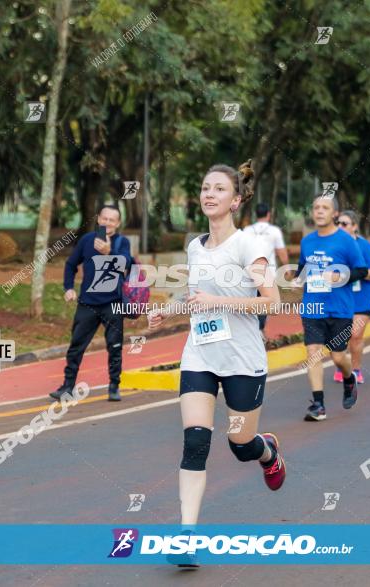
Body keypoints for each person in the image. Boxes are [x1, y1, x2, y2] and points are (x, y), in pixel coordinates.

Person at [147, 160, 285, 568]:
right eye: (205, 187)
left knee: (241, 445)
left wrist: (220, 301)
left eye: (219, 189)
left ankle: (268, 453)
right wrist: (168, 312)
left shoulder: (248, 247)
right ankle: (186, 538)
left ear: (236, 200)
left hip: (242, 359)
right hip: (201, 354)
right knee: (195, 442)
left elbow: (271, 302)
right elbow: (194, 296)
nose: (209, 194)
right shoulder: (195, 246)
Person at [296, 194, 368, 421]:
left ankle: (349, 379)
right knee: (313, 352)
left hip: (340, 308)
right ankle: (318, 404)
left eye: (324, 208)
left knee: (338, 357)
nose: (319, 211)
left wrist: (339, 275)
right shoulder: (307, 241)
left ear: (334, 213)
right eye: (316, 207)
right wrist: (299, 277)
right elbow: (301, 269)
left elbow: (361, 270)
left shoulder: (346, 241)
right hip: (312, 307)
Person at [50, 204, 131, 402]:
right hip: (87, 303)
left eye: (112, 220)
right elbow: (70, 265)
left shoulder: (122, 243)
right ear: (98, 219)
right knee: (76, 346)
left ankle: (114, 386)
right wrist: (68, 288)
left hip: (113, 303)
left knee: (115, 346)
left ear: (118, 223)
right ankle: (67, 386)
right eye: (105, 219)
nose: (108, 223)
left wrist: (108, 251)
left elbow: (126, 264)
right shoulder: (87, 240)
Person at [334, 210, 370, 384]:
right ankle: (342, 367)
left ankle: (356, 369)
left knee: (356, 335)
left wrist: (354, 274)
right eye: (338, 223)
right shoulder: (333, 246)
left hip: (362, 297)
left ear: (354, 226)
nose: (340, 226)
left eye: (344, 224)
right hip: (339, 297)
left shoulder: (364, 246)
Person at [243, 202, 289, 338]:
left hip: (249, 272)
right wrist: (286, 267)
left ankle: (255, 330)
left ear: (255, 215)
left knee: (253, 300)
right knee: (267, 301)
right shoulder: (274, 231)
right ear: (268, 215)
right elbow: (281, 252)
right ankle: (259, 330)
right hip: (268, 273)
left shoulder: (247, 230)